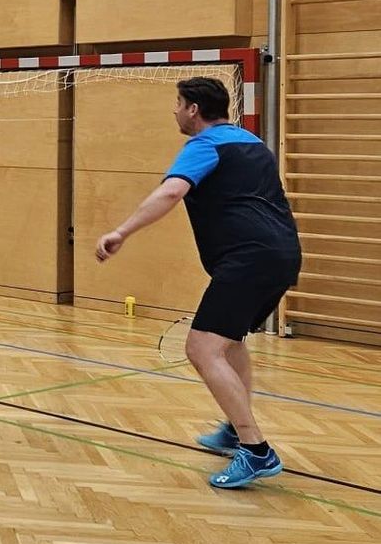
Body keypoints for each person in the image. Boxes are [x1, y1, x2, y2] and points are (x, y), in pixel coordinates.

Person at [96, 77, 301, 489]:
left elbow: (172, 192)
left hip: (249, 258)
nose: (174, 110)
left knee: (201, 347)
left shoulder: (204, 146)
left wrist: (122, 231)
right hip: (282, 253)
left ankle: (256, 449)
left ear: (193, 109)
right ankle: (233, 427)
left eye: (177, 103)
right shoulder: (251, 143)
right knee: (230, 341)